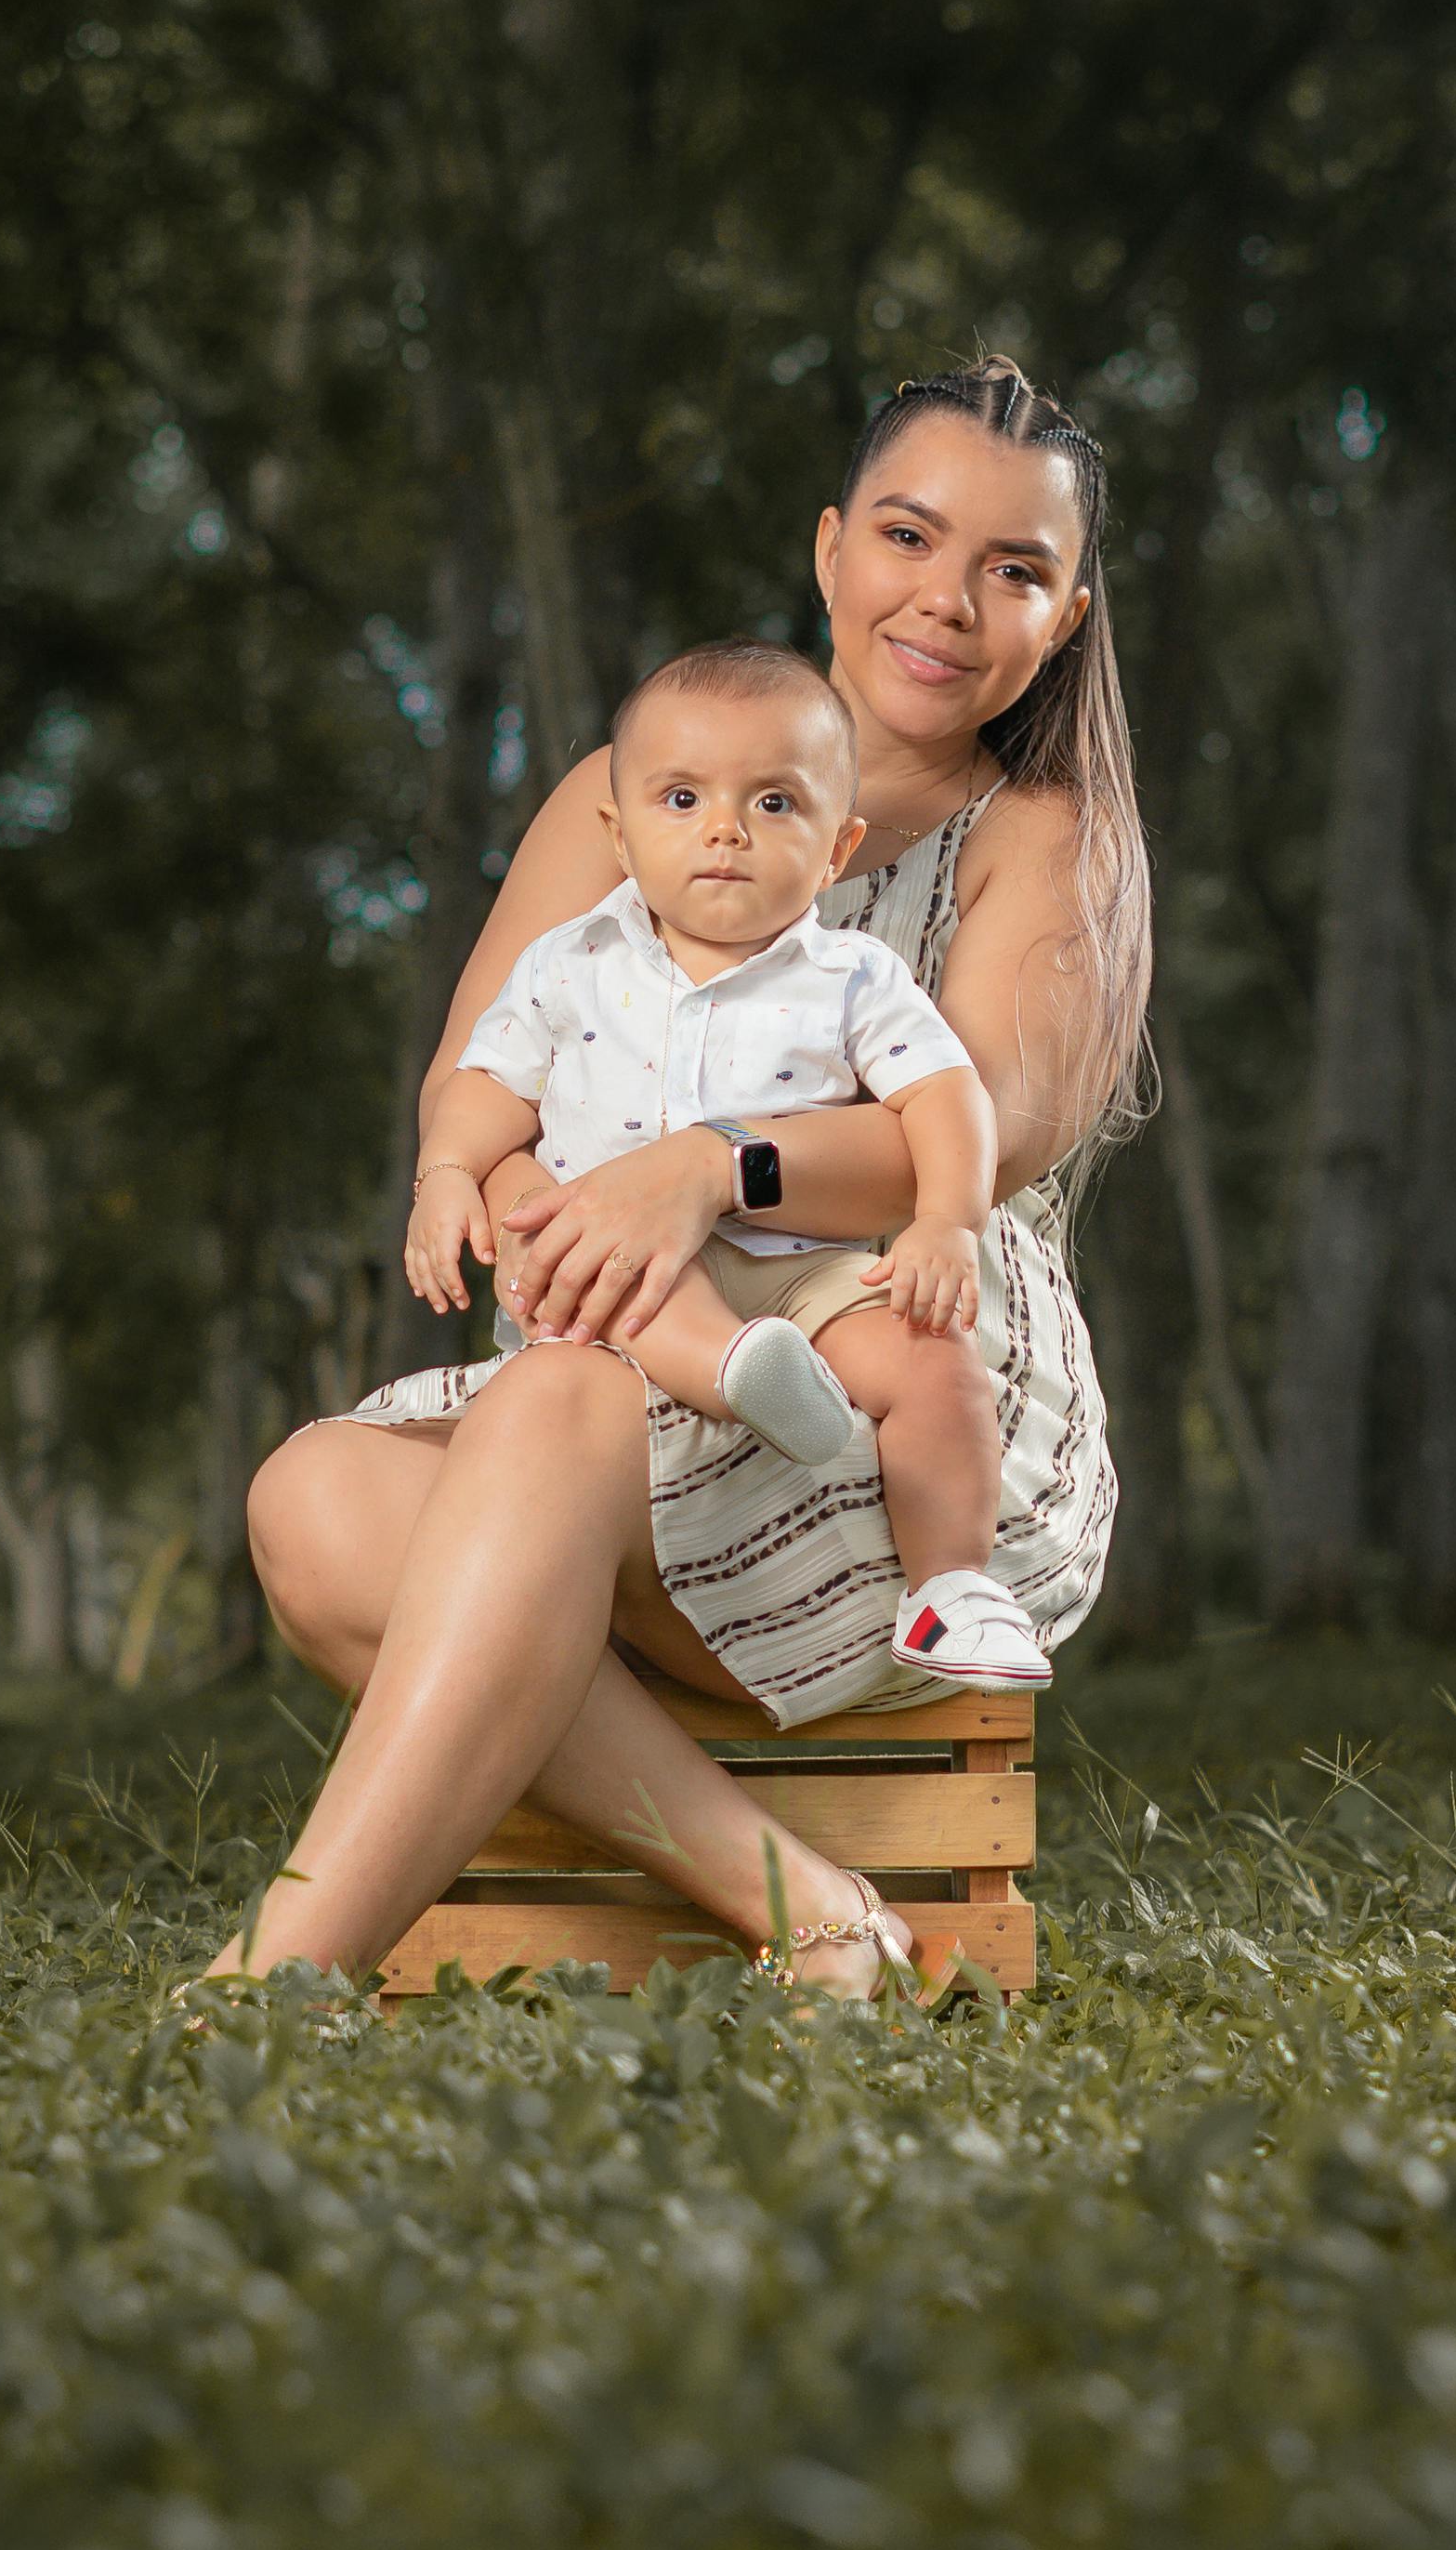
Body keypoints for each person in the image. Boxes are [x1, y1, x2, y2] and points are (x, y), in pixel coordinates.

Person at [200, 357, 1148, 2005]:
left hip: (902, 1368)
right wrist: (517, 1208)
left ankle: (278, 1972)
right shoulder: (636, 785)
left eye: (1014, 571)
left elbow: (973, 1136)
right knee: (314, 1500)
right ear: (830, 548)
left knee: (552, 1409)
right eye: (910, 540)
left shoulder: (1041, 839)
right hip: (626, 1340)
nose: (947, 601)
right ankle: (810, 1912)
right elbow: (480, 1085)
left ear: (1064, 617)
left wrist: (700, 1169)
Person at [403, 637, 1056, 1686]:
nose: (724, 829)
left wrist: (946, 1220)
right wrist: (444, 1173)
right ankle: (733, 1371)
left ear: (836, 846)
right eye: (680, 799)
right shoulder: (572, 964)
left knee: (940, 1365)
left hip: (802, 1266)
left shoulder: (851, 975)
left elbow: (946, 1095)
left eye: (773, 804)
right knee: (595, 1258)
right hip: (631, 1278)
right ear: (616, 834)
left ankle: (950, 1592)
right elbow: (490, 1085)